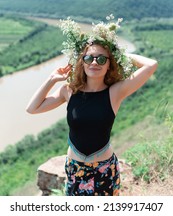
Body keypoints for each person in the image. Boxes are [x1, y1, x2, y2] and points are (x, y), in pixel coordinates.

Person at [26, 15, 158, 196]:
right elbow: (32, 108)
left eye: (102, 59)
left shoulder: (115, 92)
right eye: (89, 58)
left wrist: (118, 53)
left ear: (109, 64)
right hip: (75, 169)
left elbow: (151, 65)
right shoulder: (69, 90)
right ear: (82, 61)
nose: (95, 62)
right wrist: (51, 79)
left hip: (104, 170)